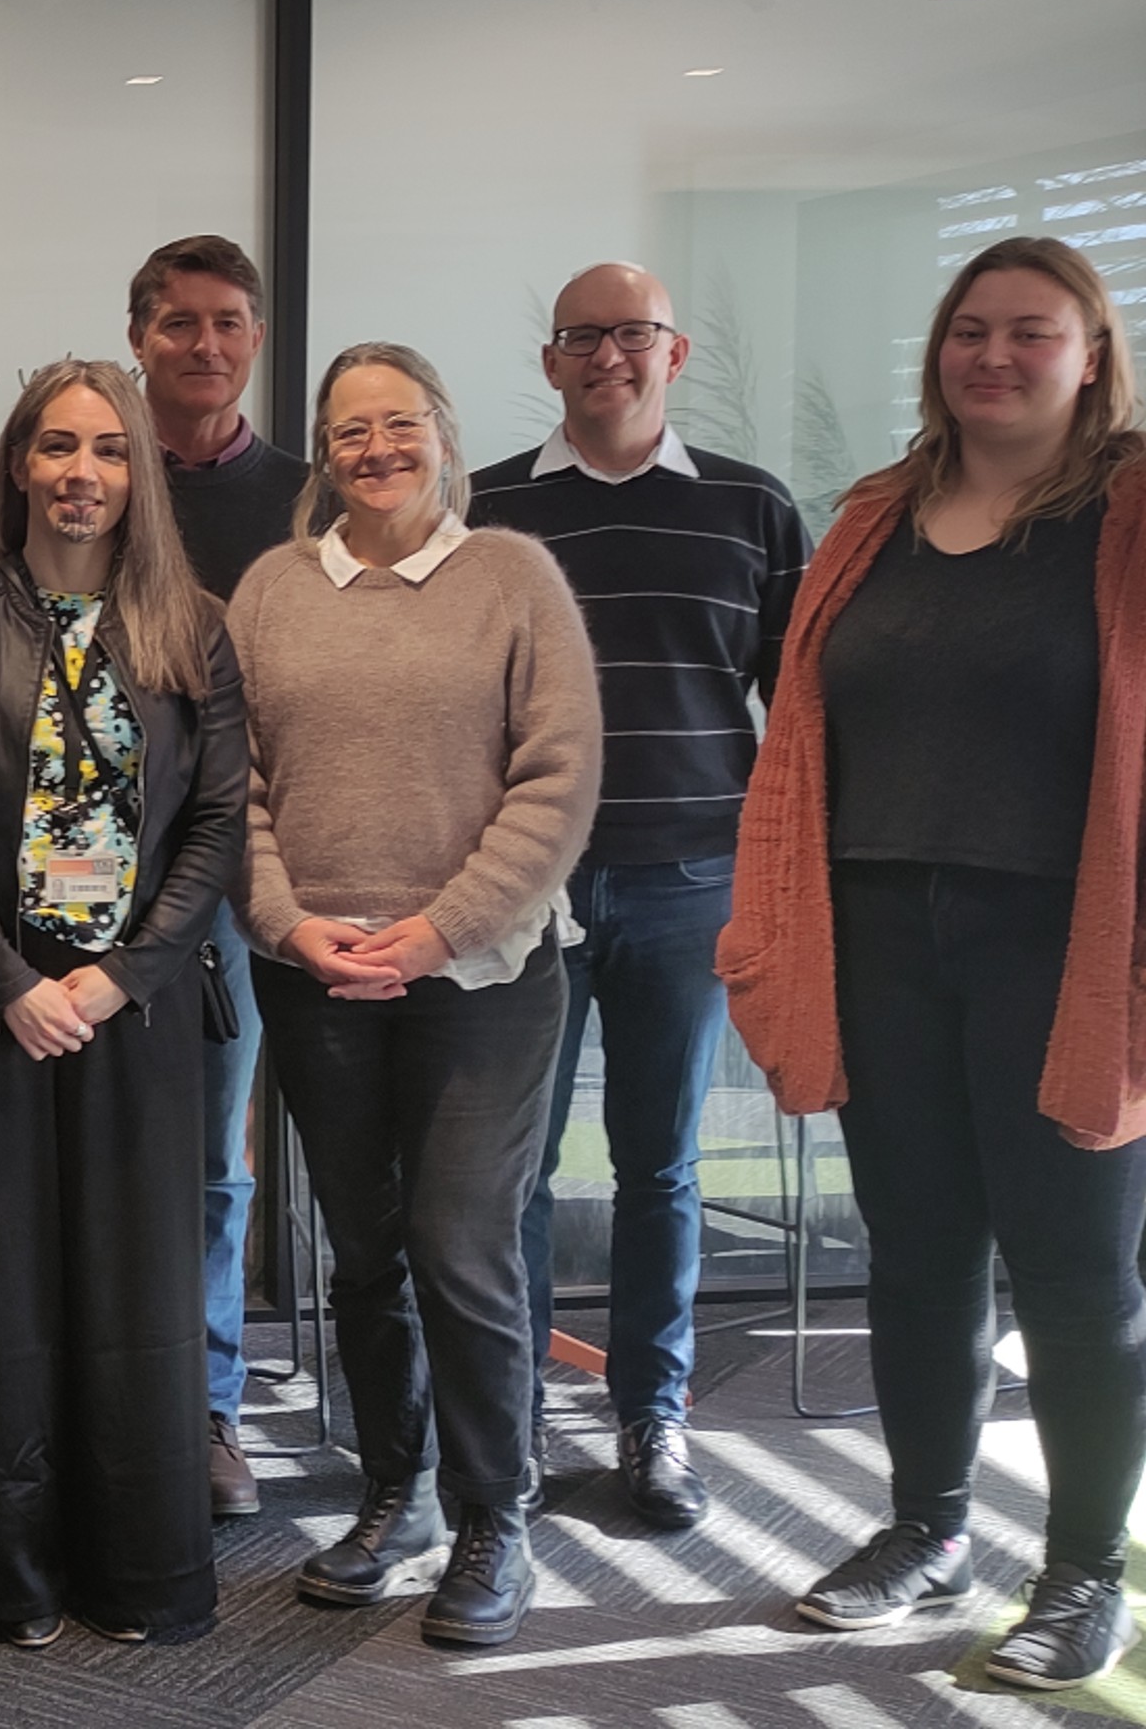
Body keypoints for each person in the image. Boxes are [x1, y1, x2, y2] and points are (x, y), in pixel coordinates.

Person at [720, 236, 1146, 1692]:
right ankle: (926, 1530)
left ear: (1091, 355)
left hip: (1060, 940)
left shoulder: (1132, 516)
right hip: (881, 931)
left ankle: (1087, 1568)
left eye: (1034, 333)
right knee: (914, 1257)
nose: (997, 357)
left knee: (1077, 1273)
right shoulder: (876, 517)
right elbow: (806, 721)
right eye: (973, 330)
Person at [228, 342, 601, 1650]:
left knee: (461, 1247)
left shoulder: (513, 579)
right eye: (348, 431)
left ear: (442, 432)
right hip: (319, 980)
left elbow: (558, 778)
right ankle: (396, 1493)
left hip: (486, 980)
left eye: (398, 424)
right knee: (366, 1253)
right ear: (322, 456)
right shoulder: (273, 590)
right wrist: (285, 920)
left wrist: (442, 930)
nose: (375, 449)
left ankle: (494, 1514)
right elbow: (241, 789)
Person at [0, 360, 243, 1647]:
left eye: (104, 450)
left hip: (134, 1011)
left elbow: (212, 825)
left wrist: (119, 975)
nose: (79, 473)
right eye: (54, 448)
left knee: (132, 1293)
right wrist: (10, 980)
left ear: (134, 474)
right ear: (17, 467)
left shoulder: (189, 628)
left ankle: (138, 1576)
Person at [470, 263, 808, 1533]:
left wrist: (779, 880)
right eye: (580, 337)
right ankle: (504, 1408)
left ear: (673, 355)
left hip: (686, 884)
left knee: (660, 1165)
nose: (606, 355)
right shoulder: (487, 510)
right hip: (524, 895)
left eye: (631, 335)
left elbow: (801, 716)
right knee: (510, 1171)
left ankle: (649, 1416)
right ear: (550, 361)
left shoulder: (750, 509)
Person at [125, 233, 313, 1519]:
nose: (204, 345)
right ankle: (87, 1394)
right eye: (179, 322)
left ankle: (203, 1411)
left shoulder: (305, 499)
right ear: (138, 333)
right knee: (77, 1142)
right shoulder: (84, 467)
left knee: (212, 1161)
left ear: (254, 339)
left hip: (243, 871)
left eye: (227, 324)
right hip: (79, 873)